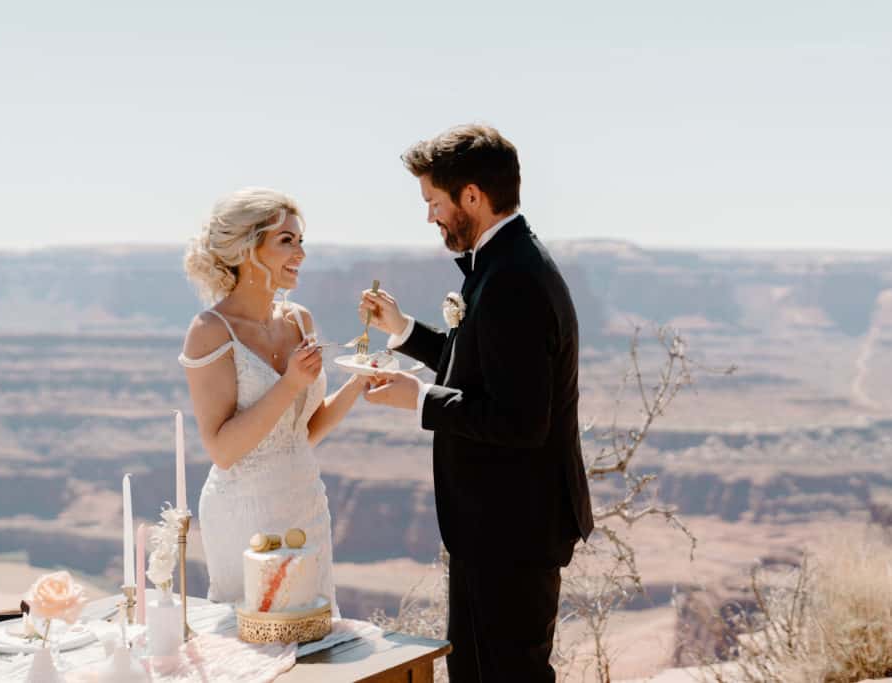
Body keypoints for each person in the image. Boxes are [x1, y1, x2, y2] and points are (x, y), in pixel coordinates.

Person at [359, 124, 594, 681]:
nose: (430, 217)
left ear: (472, 196)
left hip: (513, 530)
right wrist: (405, 331)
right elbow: (482, 370)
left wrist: (419, 400)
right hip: (491, 527)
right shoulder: (501, 263)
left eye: (434, 202)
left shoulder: (514, 278)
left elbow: (519, 420)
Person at [179, 187, 363, 611]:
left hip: (306, 504)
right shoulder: (210, 330)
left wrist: (357, 384)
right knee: (258, 641)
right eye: (286, 241)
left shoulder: (300, 320)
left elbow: (304, 431)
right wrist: (290, 384)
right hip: (245, 511)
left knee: (314, 632)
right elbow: (222, 450)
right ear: (247, 248)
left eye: (301, 241)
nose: (300, 252)